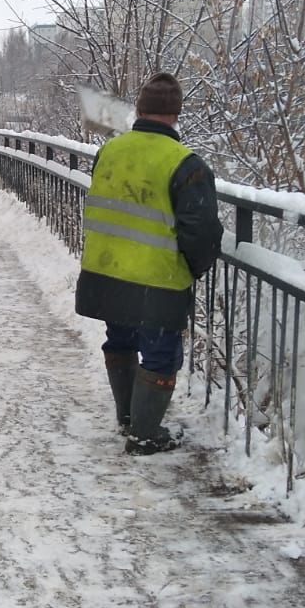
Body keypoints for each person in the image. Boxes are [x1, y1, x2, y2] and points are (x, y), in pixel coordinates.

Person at [74, 73, 222, 455]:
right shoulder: (187, 166)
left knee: (120, 339)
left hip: (108, 269)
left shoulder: (111, 151)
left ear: (139, 109)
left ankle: (128, 417)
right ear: (176, 114)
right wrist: (194, 268)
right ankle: (144, 434)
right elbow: (201, 232)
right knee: (160, 353)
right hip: (157, 280)